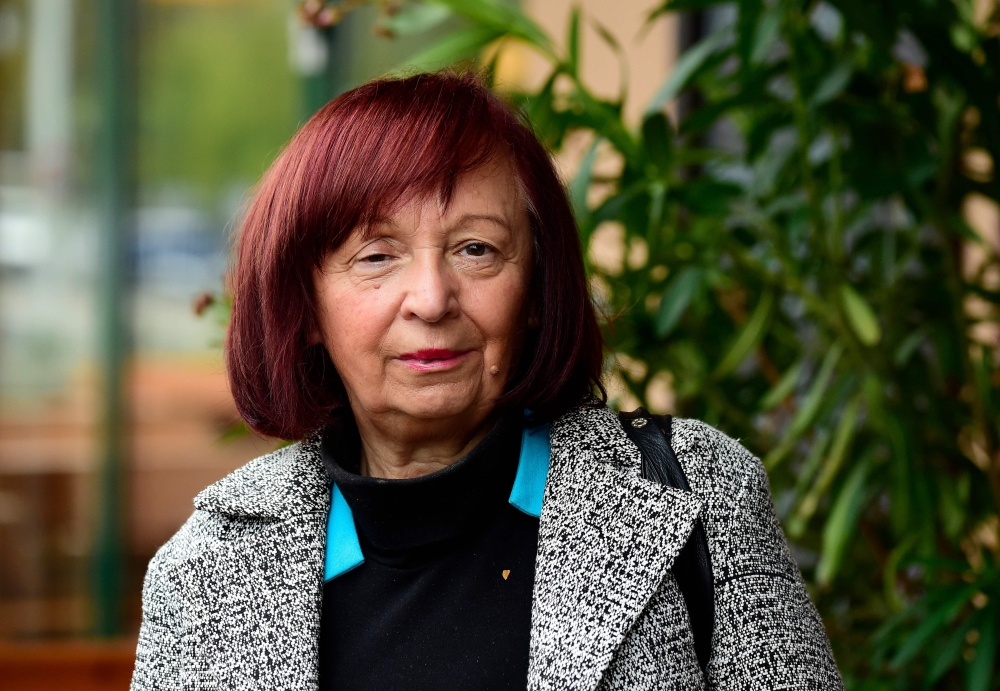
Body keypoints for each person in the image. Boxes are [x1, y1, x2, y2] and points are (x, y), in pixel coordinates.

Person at [130, 71, 843, 691]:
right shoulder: (208, 573)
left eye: (477, 249)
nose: (432, 298)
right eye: (377, 256)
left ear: (534, 290)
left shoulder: (699, 495)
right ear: (306, 306)